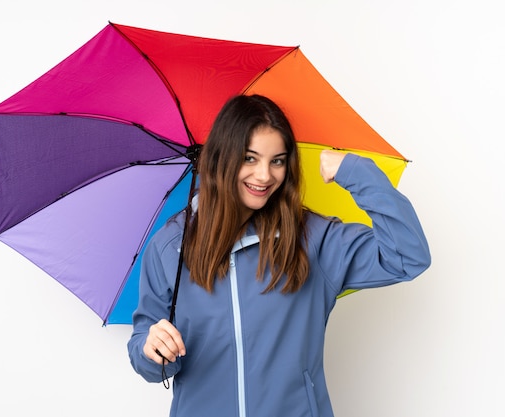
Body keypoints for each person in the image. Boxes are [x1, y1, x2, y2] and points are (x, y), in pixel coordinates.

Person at [127, 94, 431, 417]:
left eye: (277, 160)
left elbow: (408, 255)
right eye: (250, 158)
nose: (264, 176)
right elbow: (145, 354)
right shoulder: (170, 246)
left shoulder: (313, 240)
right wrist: (151, 350)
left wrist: (355, 172)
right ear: (221, 158)